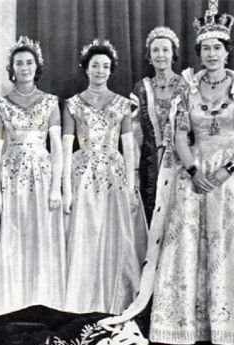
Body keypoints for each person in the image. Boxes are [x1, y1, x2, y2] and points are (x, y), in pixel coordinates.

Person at [100, 4, 234, 345]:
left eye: (217, 48)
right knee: (189, 247)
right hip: (194, 169)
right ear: (198, 52)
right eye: (205, 48)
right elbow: (178, 134)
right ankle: (187, 324)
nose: (211, 54)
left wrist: (226, 170)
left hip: (232, 174)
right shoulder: (187, 86)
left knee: (231, 244)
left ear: (226, 51)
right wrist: (193, 170)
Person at [62, 39, 147, 315]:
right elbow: (66, 144)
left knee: (114, 231)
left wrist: (132, 185)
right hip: (83, 172)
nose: (100, 71)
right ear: (86, 69)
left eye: (105, 66)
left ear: (111, 71)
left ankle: (116, 296)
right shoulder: (73, 104)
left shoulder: (122, 104)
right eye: (95, 66)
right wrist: (64, 187)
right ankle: (82, 299)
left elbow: (129, 146)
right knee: (86, 230)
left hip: (114, 171)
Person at [0, 36, 66, 317]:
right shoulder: (0, 105)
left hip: (42, 175)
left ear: (37, 66)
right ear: (12, 68)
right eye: (19, 63)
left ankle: (43, 301)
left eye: (29, 62)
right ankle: (14, 305)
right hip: (11, 176)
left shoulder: (50, 102)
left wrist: (56, 187)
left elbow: (57, 147)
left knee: (41, 236)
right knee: (14, 236)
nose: (24, 67)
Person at [131, 26, 185, 224]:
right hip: (151, 163)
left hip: (182, 161)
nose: (160, 55)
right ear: (149, 56)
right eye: (155, 50)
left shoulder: (187, 85)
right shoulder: (141, 88)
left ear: (173, 54)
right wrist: (135, 171)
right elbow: (136, 134)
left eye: (165, 50)